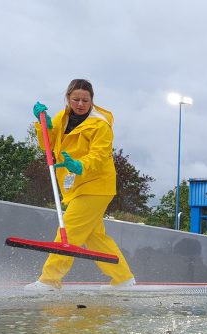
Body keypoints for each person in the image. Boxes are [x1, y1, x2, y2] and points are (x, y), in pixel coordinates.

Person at [25, 79, 136, 292]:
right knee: (95, 237)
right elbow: (46, 144)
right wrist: (43, 125)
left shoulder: (100, 124)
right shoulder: (62, 117)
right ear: (68, 99)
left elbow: (100, 155)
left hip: (96, 185)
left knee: (71, 229)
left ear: (92, 101)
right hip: (75, 185)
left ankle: (49, 281)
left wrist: (79, 165)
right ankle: (123, 278)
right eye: (76, 99)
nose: (80, 104)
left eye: (85, 100)